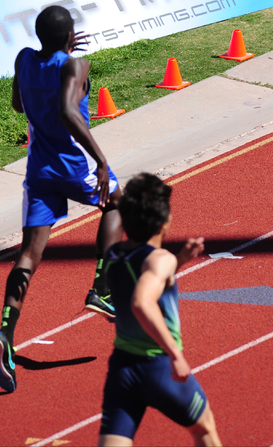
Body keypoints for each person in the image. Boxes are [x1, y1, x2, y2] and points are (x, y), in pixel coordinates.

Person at [0, 5, 123, 393]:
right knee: (117, 203)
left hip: (38, 171)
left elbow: (18, 104)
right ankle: (102, 289)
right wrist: (100, 161)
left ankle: (5, 335)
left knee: (29, 255)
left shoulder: (24, 59)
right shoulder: (76, 66)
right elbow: (68, 110)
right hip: (72, 164)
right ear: (70, 36)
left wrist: (57, 57)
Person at [98, 173, 221, 446]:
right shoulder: (160, 260)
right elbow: (142, 301)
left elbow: (141, 274)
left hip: (122, 368)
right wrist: (175, 354)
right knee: (204, 429)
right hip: (159, 367)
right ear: (165, 224)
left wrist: (179, 261)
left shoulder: (114, 254)